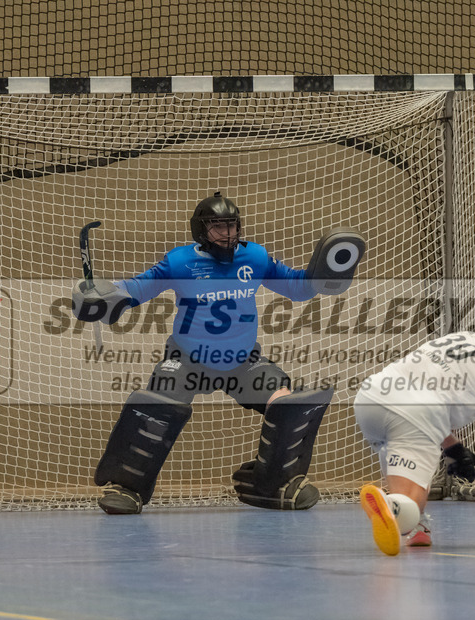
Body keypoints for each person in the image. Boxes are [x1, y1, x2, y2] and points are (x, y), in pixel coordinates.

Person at [70, 191, 365, 514]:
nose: (227, 234)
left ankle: (274, 485)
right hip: (186, 358)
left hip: (241, 361)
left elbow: (297, 287)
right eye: (218, 227)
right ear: (201, 230)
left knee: (287, 404)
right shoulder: (180, 261)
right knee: (154, 406)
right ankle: (127, 488)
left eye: (232, 226)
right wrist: (106, 295)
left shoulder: (255, 257)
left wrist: (321, 277)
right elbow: (138, 287)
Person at [353, 299, 475, 555]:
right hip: (412, 413)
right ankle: (395, 509)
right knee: (410, 503)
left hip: (371, 398)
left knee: (413, 473)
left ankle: (417, 526)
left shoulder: (466, 339)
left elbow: (429, 389)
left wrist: (454, 448)